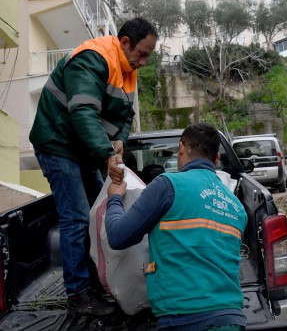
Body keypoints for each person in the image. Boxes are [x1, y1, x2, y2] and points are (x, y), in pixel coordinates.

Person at [29, 17, 158, 316]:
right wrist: (107, 155)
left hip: (82, 150)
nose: (145, 62)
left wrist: (120, 142)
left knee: (93, 216)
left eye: (148, 56)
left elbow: (125, 115)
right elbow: (84, 111)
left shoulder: (127, 69)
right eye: (142, 53)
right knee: (75, 217)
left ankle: (96, 282)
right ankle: (77, 295)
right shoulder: (93, 57)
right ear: (125, 42)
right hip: (57, 144)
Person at [105, 123, 248, 330]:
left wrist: (115, 198)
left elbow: (118, 236)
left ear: (181, 148)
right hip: (232, 318)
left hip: (185, 319)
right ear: (216, 159)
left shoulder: (168, 186)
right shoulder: (236, 206)